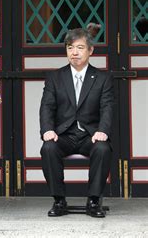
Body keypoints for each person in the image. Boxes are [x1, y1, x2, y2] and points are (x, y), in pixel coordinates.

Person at [39, 28, 115, 218]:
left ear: (90, 51)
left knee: (103, 149)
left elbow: (107, 107)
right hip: (64, 135)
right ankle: (59, 200)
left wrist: (102, 130)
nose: (74, 52)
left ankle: (94, 200)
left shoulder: (102, 78)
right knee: (48, 148)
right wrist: (47, 130)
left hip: (90, 135)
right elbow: (47, 107)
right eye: (70, 47)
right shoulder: (55, 77)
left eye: (80, 48)